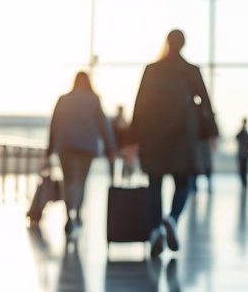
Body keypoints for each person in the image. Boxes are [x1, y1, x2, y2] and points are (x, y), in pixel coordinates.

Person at [132, 30, 217, 257]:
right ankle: (172, 218)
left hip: (154, 135)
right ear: (183, 45)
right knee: (184, 182)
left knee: (154, 183)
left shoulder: (152, 71)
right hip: (183, 135)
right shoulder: (191, 71)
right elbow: (206, 102)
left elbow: (140, 104)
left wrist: (133, 137)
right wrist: (212, 133)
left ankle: (153, 233)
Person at [49, 71, 117, 235]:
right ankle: (77, 213)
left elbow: (54, 124)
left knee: (69, 181)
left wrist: (50, 148)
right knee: (81, 181)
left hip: (65, 146)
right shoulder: (93, 100)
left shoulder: (64, 99)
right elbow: (104, 126)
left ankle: (69, 214)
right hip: (86, 148)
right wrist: (111, 148)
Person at [111, 105, 137, 181]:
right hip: (117, 146)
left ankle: (125, 177)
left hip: (121, 146)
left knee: (127, 162)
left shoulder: (122, 122)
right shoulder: (117, 122)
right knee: (115, 163)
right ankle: (117, 179)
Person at [235, 118, 248, 188]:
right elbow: (237, 137)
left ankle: (244, 182)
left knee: (244, 169)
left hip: (244, 153)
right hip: (242, 153)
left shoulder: (244, 131)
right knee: (243, 169)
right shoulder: (242, 131)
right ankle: (244, 182)